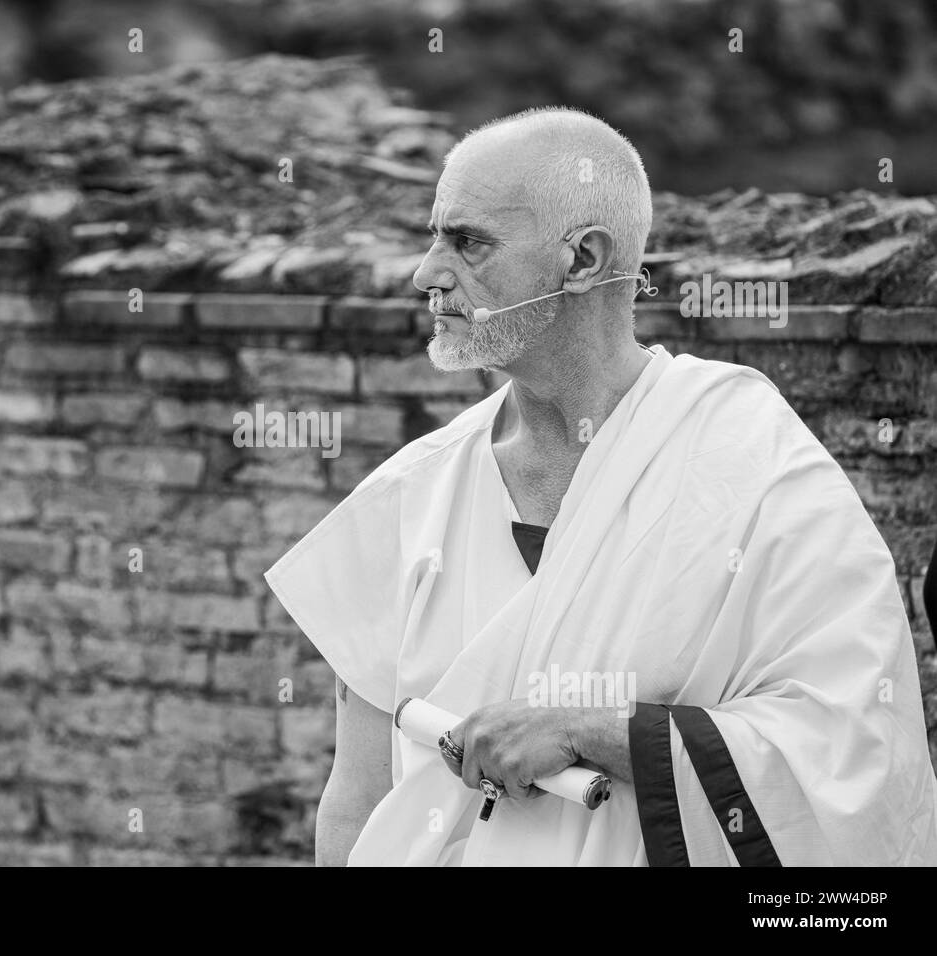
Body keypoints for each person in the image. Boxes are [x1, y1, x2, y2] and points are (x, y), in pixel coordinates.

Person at [264, 107, 937, 866]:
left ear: (583, 259)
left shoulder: (754, 466)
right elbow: (357, 805)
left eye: (468, 241)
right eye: (432, 236)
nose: (427, 274)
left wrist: (592, 733)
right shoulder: (407, 499)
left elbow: (854, 753)